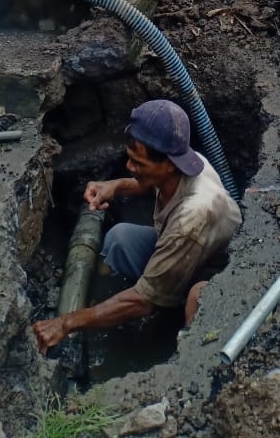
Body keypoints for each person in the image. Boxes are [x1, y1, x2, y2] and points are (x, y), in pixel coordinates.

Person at [32, 100, 242, 353]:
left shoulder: (193, 215)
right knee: (120, 240)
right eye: (131, 160)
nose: (130, 167)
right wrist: (115, 186)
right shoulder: (185, 161)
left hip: (211, 270)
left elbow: (144, 302)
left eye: (139, 164)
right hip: (184, 246)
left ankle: (177, 338)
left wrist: (66, 323)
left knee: (193, 298)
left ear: (169, 164)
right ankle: (150, 296)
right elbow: (149, 183)